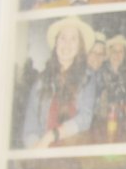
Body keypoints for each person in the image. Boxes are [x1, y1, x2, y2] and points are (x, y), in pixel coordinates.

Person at [21, 16, 99, 148]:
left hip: (73, 151)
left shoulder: (88, 77)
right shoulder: (40, 81)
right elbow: (29, 128)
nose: (67, 44)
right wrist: (35, 147)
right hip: (45, 151)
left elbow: (85, 118)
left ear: (79, 46)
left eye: (73, 39)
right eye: (63, 38)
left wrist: (52, 135)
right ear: (56, 43)